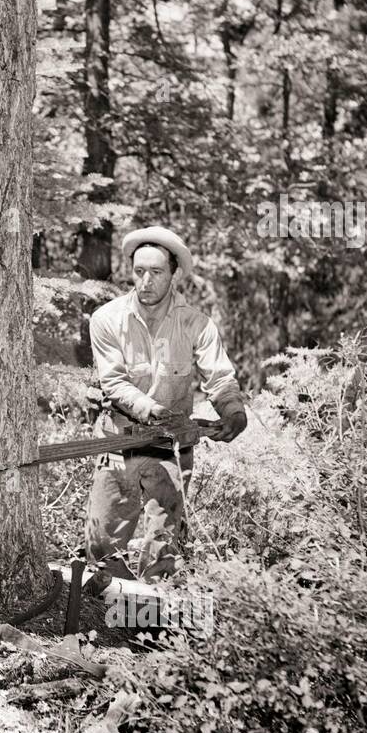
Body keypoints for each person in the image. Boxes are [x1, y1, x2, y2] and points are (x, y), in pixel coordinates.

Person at [85, 226, 247, 579]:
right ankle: (98, 620)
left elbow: (219, 378)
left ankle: (148, 624)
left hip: (172, 449)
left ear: (174, 274)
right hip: (119, 442)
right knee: (102, 545)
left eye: (156, 272)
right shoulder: (107, 319)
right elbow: (113, 382)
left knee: (164, 550)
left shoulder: (197, 325)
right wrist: (153, 411)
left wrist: (233, 411)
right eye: (139, 271)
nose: (145, 280)